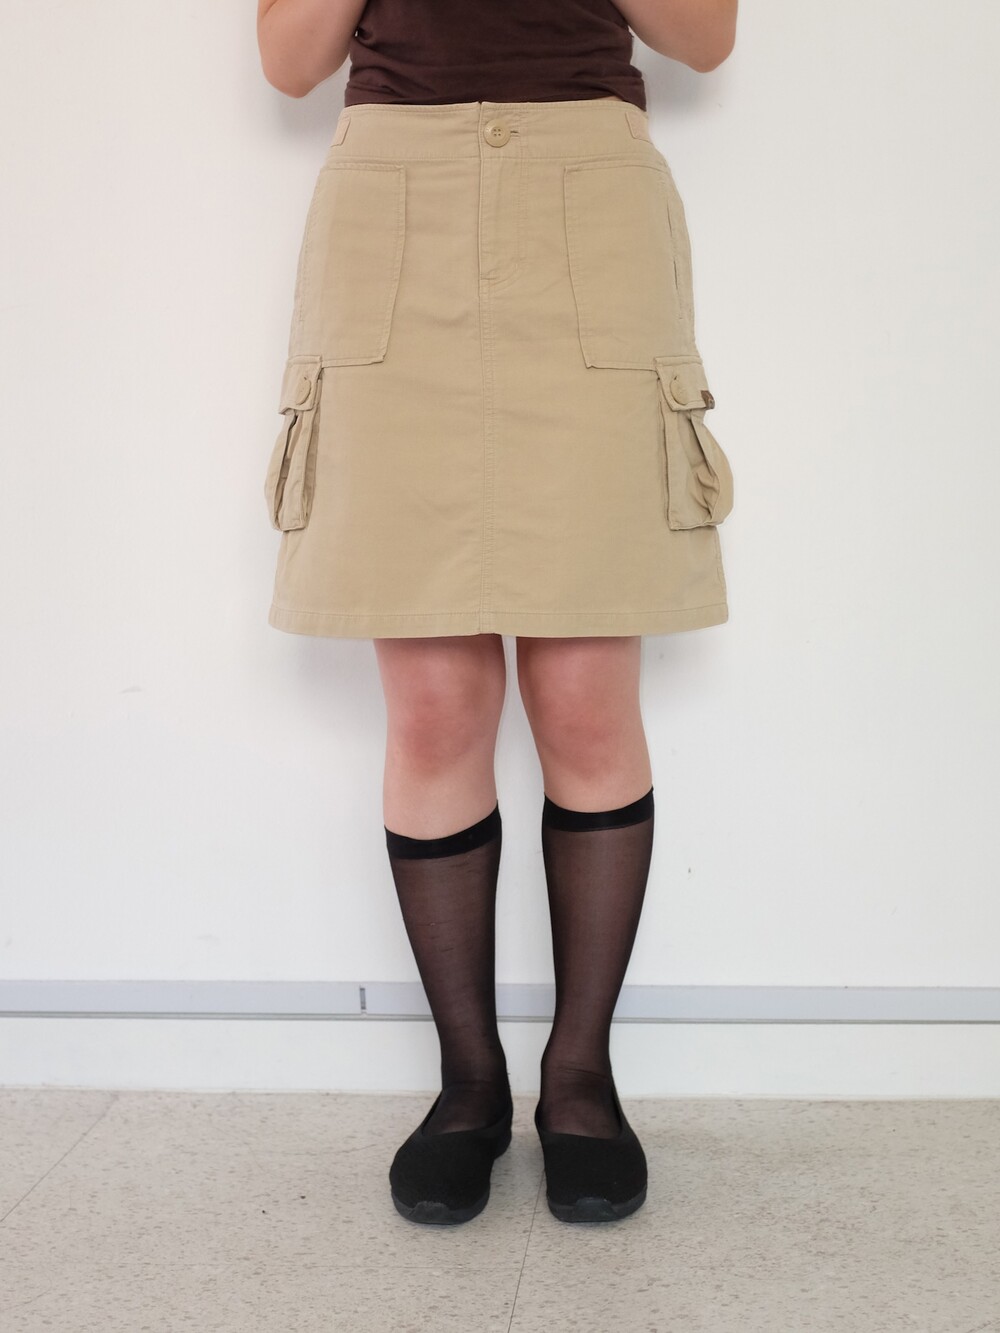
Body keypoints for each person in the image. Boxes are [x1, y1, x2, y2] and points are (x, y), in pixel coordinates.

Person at [257, 0, 738, 1226]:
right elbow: (289, 60)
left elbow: (704, 38)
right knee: (432, 707)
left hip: (588, 205)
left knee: (583, 699)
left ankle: (579, 1083)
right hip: (394, 212)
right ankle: (466, 1085)